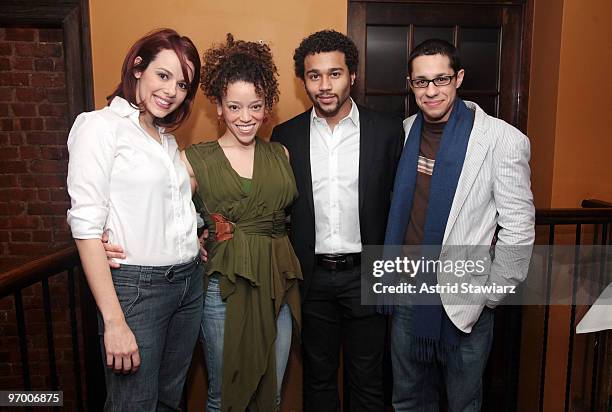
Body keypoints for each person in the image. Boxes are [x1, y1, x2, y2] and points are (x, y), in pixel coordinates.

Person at [386, 39, 535, 411]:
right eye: (422, 82)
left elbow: (519, 226)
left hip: (465, 297)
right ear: (411, 84)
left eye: (441, 79)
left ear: (459, 78)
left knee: (463, 403)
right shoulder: (405, 132)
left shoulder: (502, 139)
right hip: (407, 290)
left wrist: (491, 294)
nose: (431, 90)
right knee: (406, 399)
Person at [66, 28, 203, 411]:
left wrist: (192, 238)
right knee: (134, 404)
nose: (172, 91)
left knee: (168, 401)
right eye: (164, 75)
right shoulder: (99, 127)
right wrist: (114, 320)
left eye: (182, 84)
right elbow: (85, 227)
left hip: (188, 282)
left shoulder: (164, 138)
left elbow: (172, 200)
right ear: (138, 68)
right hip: (138, 289)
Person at [271, 30, 405, 411]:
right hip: (311, 279)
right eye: (314, 76)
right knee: (318, 380)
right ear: (304, 81)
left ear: (353, 76)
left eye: (335, 74)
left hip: (367, 274)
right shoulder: (286, 136)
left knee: (368, 381)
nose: (325, 85)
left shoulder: (387, 130)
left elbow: (405, 200)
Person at [184, 34, 301, 412]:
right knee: (225, 395)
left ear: (267, 106)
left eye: (255, 106)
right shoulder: (193, 160)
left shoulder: (280, 154)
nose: (246, 117)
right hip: (223, 287)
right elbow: (160, 213)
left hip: (277, 282)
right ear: (218, 106)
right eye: (234, 106)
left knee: (273, 392)